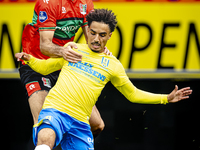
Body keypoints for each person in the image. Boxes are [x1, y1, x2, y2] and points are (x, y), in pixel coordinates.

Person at [16, 9, 192, 150]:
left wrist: (165, 98)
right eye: (92, 33)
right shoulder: (74, 49)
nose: (96, 39)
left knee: (98, 126)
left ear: (109, 36)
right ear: (88, 31)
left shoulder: (113, 66)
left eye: (102, 35)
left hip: (80, 123)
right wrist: (30, 59)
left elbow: (133, 94)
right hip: (56, 111)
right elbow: (45, 68)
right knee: (45, 139)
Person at [19, 0, 106, 137]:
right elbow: (45, 46)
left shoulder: (86, 3)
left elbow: (91, 39)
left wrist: (102, 50)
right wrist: (63, 51)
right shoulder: (48, 3)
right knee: (44, 124)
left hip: (63, 65)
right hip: (37, 65)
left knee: (96, 125)